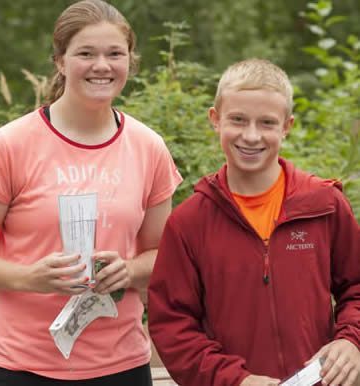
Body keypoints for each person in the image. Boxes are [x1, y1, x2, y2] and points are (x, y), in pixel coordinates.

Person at [0, 0, 182, 385]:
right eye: (85, 53)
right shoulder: (12, 144)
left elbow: (163, 254)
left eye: (114, 54)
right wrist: (29, 278)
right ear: (60, 61)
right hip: (23, 364)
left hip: (120, 363)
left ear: (129, 62)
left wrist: (129, 270)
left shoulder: (148, 147)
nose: (101, 65)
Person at [148, 58, 360, 386]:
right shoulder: (189, 223)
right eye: (238, 120)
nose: (251, 136)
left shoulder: (324, 204)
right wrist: (236, 380)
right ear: (215, 120)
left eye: (266, 123)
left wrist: (351, 340)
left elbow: (356, 286)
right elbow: (172, 325)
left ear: (287, 126)